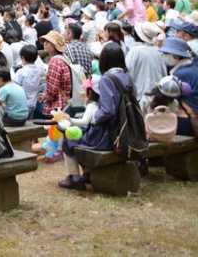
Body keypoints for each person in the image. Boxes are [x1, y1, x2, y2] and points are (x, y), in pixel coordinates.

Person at [59, 43, 134, 190]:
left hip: (107, 135)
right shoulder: (127, 76)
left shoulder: (107, 79)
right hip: (125, 131)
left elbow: (107, 111)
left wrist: (94, 119)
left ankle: (75, 177)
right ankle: (87, 174)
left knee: (70, 139)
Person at [159, 38, 198, 135]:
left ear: (175, 56)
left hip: (189, 118)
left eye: (166, 54)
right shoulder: (191, 68)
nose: (164, 56)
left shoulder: (180, 73)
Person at [126, 22, 167, 100]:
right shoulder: (157, 51)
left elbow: (128, 72)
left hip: (140, 96)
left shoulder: (135, 51)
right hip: (157, 95)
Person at [39, 31, 72, 116]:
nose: (45, 44)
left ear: (55, 46)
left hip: (57, 106)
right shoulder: (64, 58)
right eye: (44, 41)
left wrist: (44, 96)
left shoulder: (55, 61)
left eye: (48, 42)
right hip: (66, 103)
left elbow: (52, 90)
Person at [15, 44, 44, 116]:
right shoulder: (39, 70)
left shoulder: (21, 72)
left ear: (22, 57)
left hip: (22, 105)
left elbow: (15, 86)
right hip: (33, 104)